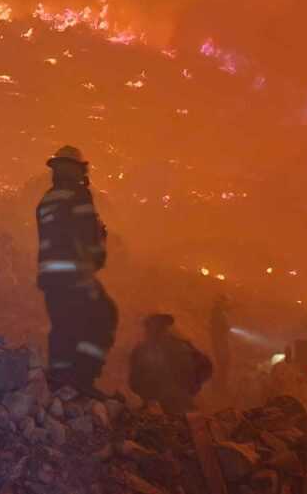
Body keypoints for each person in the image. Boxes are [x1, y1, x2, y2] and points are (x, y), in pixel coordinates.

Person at [36, 145, 117, 396]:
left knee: (63, 325)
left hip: (50, 276)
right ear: (76, 170)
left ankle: (59, 380)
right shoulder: (79, 195)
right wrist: (100, 245)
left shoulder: (46, 199)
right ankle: (83, 379)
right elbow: (86, 238)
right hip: (75, 274)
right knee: (104, 317)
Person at [129, 314, 213, 415]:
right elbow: (134, 383)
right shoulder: (141, 351)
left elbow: (203, 368)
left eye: (157, 328)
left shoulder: (181, 347)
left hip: (175, 405)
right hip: (163, 405)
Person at [210, 294, 232, 396]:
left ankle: (221, 387)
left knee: (224, 365)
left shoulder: (219, 313)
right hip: (220, 343)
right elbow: (221, 328)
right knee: (223, 365)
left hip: (221, 342)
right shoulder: (218, 314)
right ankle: (220, 388)